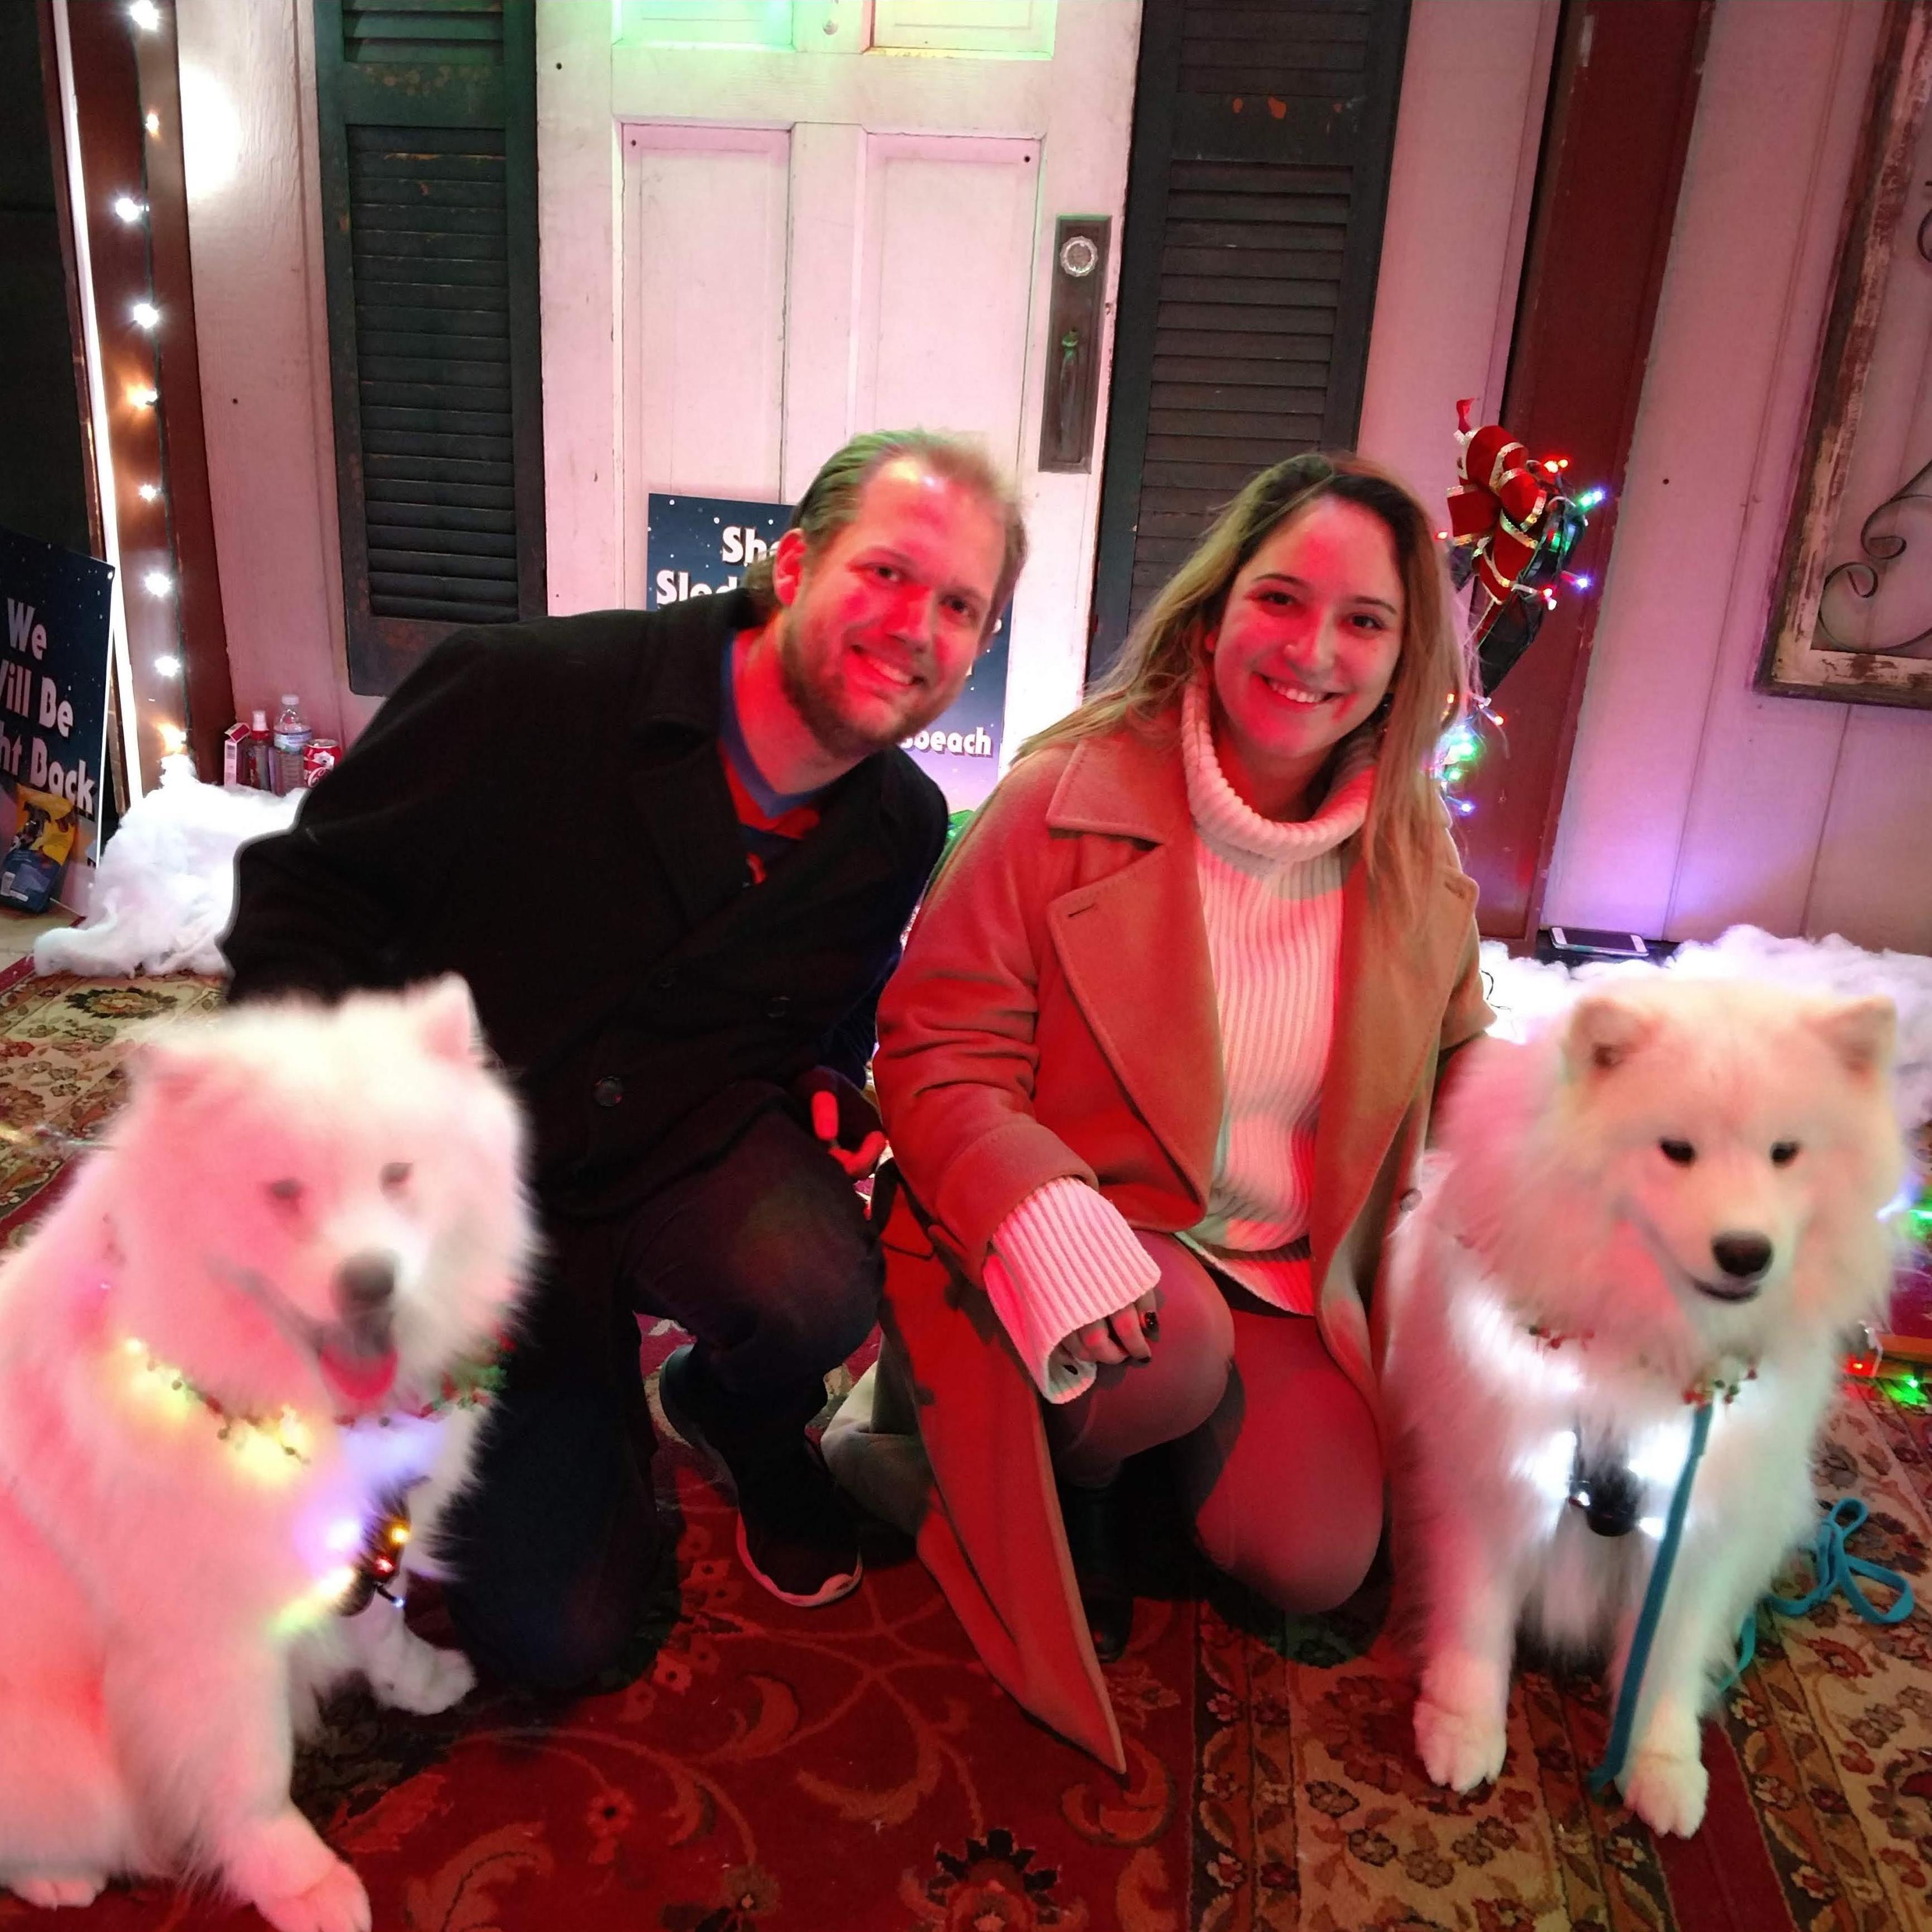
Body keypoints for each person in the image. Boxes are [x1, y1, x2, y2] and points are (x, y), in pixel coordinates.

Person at [222, 430, 1024, 1689]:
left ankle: (730, 1410)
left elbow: (811, 1037)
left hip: (663, 1159)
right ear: (793, 564)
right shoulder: (525, 688)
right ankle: (577, 1419)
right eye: (885, 572)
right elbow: (301, 898)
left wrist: (823, 1103)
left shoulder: (900, 825)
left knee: (816, 1274)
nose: (915, 623)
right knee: (556, 1634)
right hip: (450, 1203)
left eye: (961, 603)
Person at [824, 451, 1492, 1771]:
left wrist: (1583, 1193)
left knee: (1312, 1559)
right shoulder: (1058, 792)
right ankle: (1065, 1488)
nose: (1312, 650)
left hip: (1282, 1273)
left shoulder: (1416, 847)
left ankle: (1122, 1468)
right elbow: (932, 1046)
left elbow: (1463, 1066)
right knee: (1163, 1344)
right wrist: (1046, 1214)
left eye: (1363, 621)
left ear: (1403, 655)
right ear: (1213, 609)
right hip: (1074, 1246)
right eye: (1281, 599)